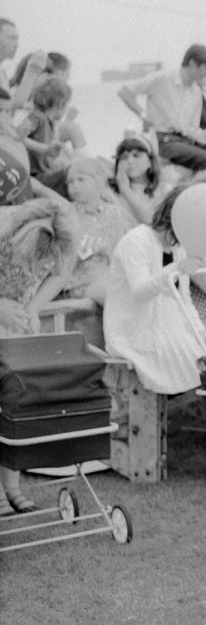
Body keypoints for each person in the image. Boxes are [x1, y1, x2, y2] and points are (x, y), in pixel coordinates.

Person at [104, 184, 206, 394]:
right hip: (136, 329)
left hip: (170, 325)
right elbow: (140, 292)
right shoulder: (137, 240)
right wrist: (175, 268)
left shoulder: (178, 246)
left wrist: (200, 331)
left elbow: (184, 299)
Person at [0, 196, 77, 516]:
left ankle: (12, 488)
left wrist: (32, 306)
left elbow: (60, 274)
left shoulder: (61, 234)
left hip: (16, 327)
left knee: (13, 404)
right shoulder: (4, 229)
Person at [117, 44, 206, 172]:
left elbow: (192, 129)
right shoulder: (163, 79)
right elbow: (125, 92)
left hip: (183, 141)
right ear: (192, 63)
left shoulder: (196, 91)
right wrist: (143, 116)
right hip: (162, 140)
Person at [60, 157, 135, 303]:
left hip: (114, 276)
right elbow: (63, 256)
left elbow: (127, 248)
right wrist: (94, 248)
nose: (75, 186)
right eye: (70, 182)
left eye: (81, 180)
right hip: (81, 281)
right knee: (111, 294)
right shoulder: (66, 215)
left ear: (99, 181)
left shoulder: (116, 214)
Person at [110, 134, 163, 225]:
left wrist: (125, 190)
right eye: (124, 157)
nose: (130, 161)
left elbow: (152, 222)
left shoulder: (163, 190)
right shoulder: (110, 190)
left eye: (136, 155)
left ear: (150, 162)